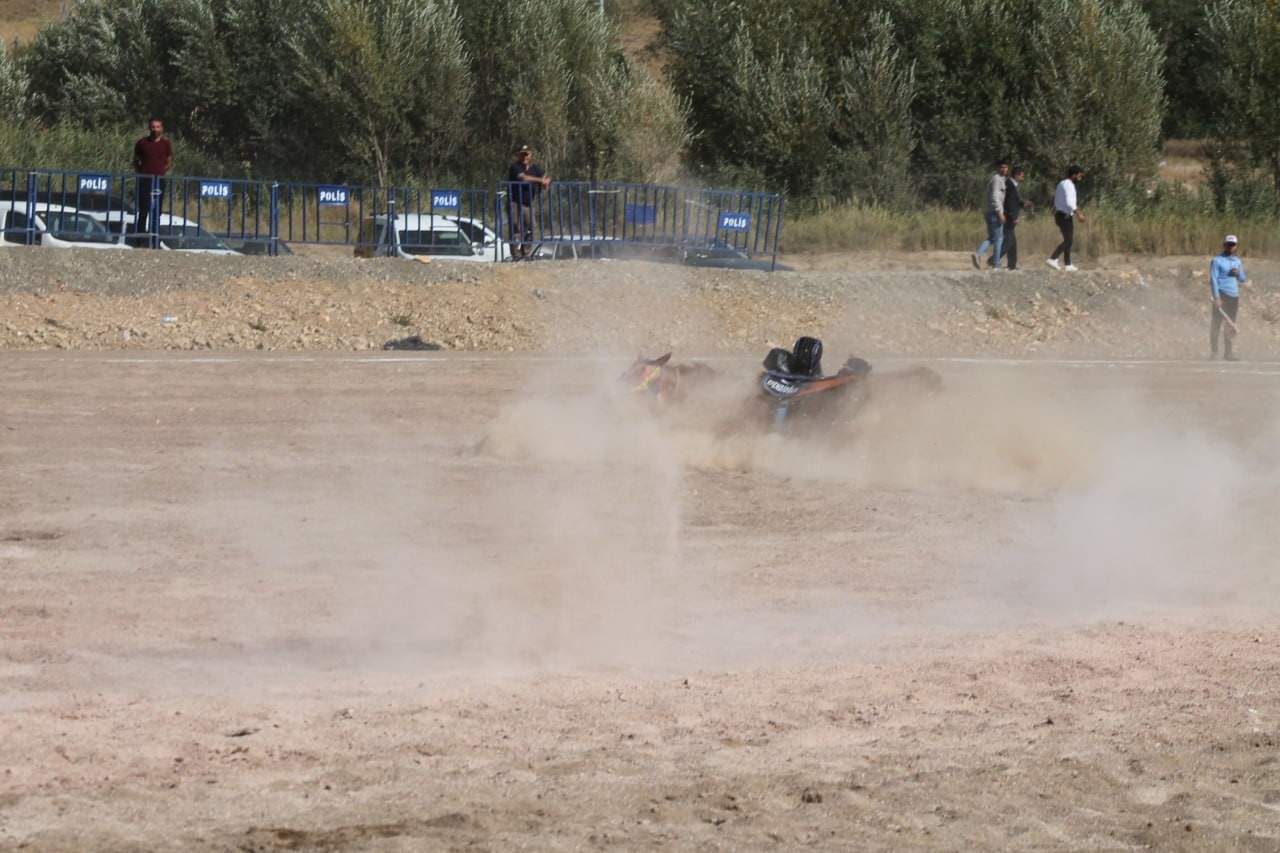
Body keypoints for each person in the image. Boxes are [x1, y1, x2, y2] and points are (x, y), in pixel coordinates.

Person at [132, 117, 173, 247]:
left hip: (159, 181)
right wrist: (142, 173)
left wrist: (161, 173)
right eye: (153, 127)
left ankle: (155, 241)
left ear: (162, 128)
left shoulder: (166, 144)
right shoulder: (142, 143)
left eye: (157, 127)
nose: (155, 129)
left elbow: (169, 161)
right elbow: (135, 160)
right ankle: (140, 241)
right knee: (143, 211)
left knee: (157, 212)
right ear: (149, 128)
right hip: (145, 181)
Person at [506, 145, 550, 259]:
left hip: (528, 203)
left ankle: (526, 253)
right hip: (515, 202)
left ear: (530, 155)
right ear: (519, 155)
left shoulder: (535, 168)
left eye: (527, 154)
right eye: (522, 154)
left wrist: (546, 181)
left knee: (531, 227)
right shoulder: (515, 167)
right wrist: (540, 180)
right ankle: (516, 254)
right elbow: (523, 178)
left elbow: (546, 176)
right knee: (516, 228)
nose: (525, 156)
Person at [1209, 234, 1246, 361]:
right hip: (1222, 295)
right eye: (1228, 244)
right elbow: (1213, 280)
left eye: (1233, 244)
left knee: (1230, 326)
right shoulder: (1217, 260)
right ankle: (1214, 352)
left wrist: (1238, 273)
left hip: (1234, 297)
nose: (1230, 247)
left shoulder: (1237, 261)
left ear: (1236, 246)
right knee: (1216, 324)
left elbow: (1243, 279)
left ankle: (1228, 353)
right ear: (1224, 245)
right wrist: (1217, 297)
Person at [972, 158, 1008, 270]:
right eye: (1002, 167)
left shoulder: (1001, 179)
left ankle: (978, 254)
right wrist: (1000, 213)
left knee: (993, 237)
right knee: (999, 238)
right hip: (994, 212)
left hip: (989, 211)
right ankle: (996, 263)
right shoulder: (997, 179)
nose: (1004, 169)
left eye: (1006, 167)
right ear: (998, 168)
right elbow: (995, 197)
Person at [1046, 165, 1085, 271]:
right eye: (1079, 176)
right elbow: (1069, 202)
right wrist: (1078, 213)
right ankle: (1053, 258)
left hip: (1062, 215)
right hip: (1064, 215)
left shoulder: (1062, 183)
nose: (1080, 179)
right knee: (1068, 240)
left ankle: (1068, 264)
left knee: (1068, 239)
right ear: (1074, 175)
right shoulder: (1068, 185)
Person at [996, 166, 1031, 270]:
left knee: (1012, 241)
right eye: (1022, 176)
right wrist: (1013, 217)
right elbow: (1009, 203)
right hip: (1008, 216)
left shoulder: (1011, 184)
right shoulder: (1010, 185)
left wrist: (1022, 203)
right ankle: (993, 259)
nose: (1023, 179)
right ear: (1016, 175)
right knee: (1009, 241)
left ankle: (1012, 265)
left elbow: (1012, 201)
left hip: (1008, 215)